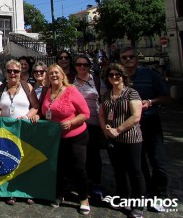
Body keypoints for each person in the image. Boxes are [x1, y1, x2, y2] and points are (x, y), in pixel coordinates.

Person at [120, 46, 170, 211]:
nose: (128, 60)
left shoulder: (150, 75)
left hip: (149, 121)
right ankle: (146, 192)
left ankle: (161, 195)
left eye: (131, 57)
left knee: (157, 160)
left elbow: (166, 96)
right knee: (138, 162)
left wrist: (151, 102)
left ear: (137, 58)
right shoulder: (119, 77)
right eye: (124, 57)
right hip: (130, 125)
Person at [41, 64, 90, 215]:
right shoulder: (48, 91)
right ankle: (59, 194)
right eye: (51, 74)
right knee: (59, 167)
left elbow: (85, 113)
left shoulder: (71, 91)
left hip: (76, 136)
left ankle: (83, 198)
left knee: (78, 168)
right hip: (57, 137)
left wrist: (71, 122)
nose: (54, 75)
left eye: (56, 73)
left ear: (63, 75)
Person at [99, 63, 145, 218]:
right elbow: (101, 114)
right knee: (118, 170)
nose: (114, 77)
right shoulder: (107, 95)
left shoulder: (131, 93)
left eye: (117, 75)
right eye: (111, 75)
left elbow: (136, 116)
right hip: (113, 139)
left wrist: (118, 130)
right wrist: (105, 129)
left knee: (135, 172)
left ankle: (138, 204)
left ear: (123, 76)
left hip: (130, 138)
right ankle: (122, 197)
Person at [0, 59, 39, 205]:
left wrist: (27, 117)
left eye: (16, 71)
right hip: (6, 132)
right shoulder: (1, 89)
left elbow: (35, 106)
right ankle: (11, 191)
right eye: (9, 71)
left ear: (21, 72)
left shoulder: (28, 87)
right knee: (9, 160)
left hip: (24, 130)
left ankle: (27, 190)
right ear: (6, 72)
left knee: (26, 160)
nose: (12, 73)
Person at [73, 54, 104, 199]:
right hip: (76, 124)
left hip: (94, 123)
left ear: (89, 67)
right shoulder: (70, 82)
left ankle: (95, 184)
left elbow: (104, 101)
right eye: (79, 64)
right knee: (79, 157)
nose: (82, 67)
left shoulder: (97, 81)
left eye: (85, 65)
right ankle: (80, 184)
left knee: (94, 155)